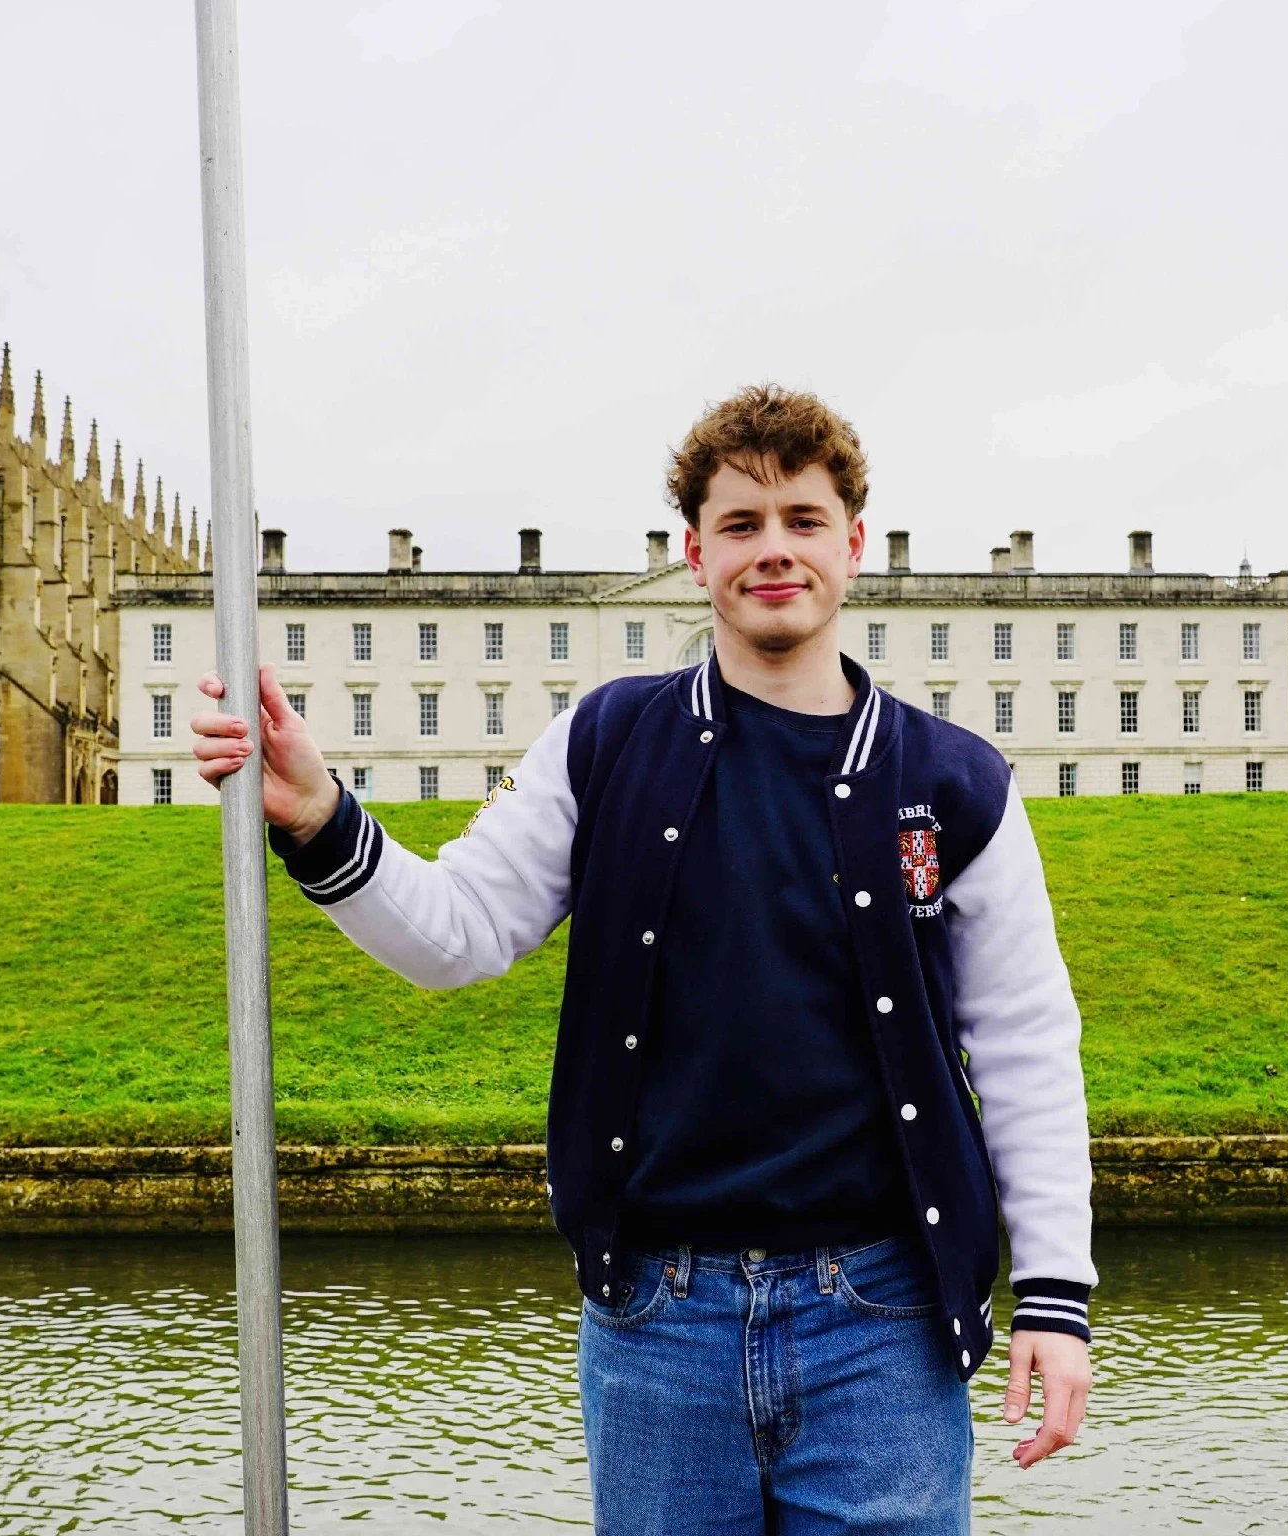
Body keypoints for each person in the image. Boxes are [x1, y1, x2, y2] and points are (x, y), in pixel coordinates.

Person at [191, 385, 1094, 1533]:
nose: (774, 549)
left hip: (882, 1315)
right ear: (694, 553)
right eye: (741, 524)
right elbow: (459, 932)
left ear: (854, 544)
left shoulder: (954, 780)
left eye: (804, 520)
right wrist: (322, 816)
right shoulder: (606, 741)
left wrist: (1054, 1297)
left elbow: (1023, 1043)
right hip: (660, 1322)